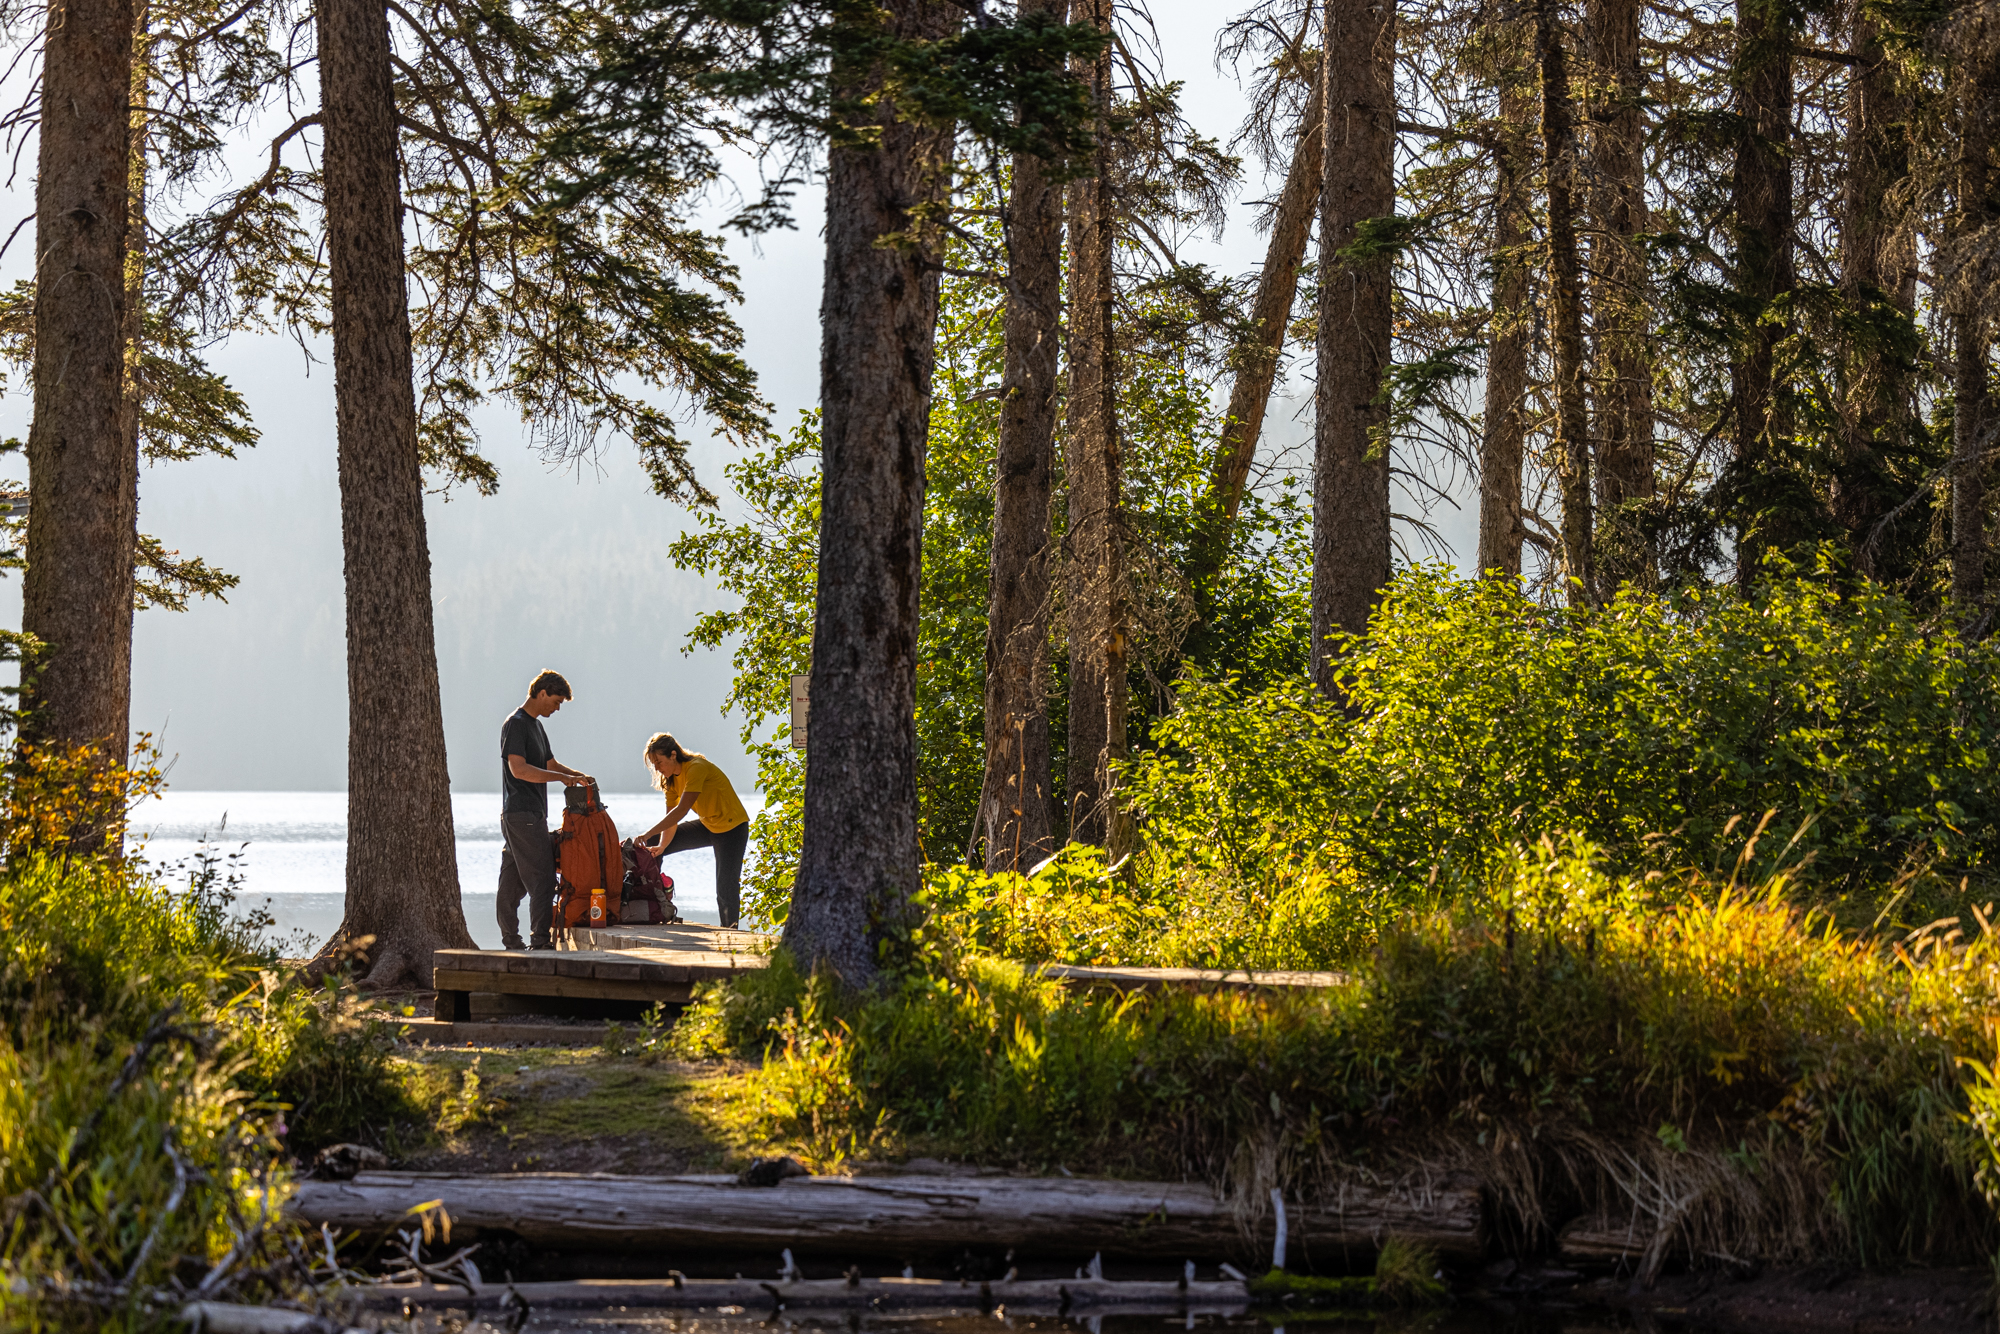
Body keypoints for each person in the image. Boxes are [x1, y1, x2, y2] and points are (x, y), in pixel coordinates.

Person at [497, 670, 595, 950]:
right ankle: (540, 942)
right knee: (543, 878)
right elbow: (519, 770)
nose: (557, 707)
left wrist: (576, 775)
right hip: (522, 813)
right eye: (556, 701)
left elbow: (550, 765)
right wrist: (562, 779)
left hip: (531, 814)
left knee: (512, 881)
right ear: (541, 693)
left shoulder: (537, 727)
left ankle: (511, 942)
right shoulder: (516, 724)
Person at [639, 733, 750, 928]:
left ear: (673, 755)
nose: (657, 768)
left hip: (732, 828)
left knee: (725, 887)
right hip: (709, 825)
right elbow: (670, 820)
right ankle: (653, 902)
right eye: (653, 764)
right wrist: (662, 845)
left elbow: (681, 811)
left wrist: (647, 833)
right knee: (652, 845)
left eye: (659, 762)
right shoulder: (671, 780)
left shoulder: (696, 768)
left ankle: (731, 932)